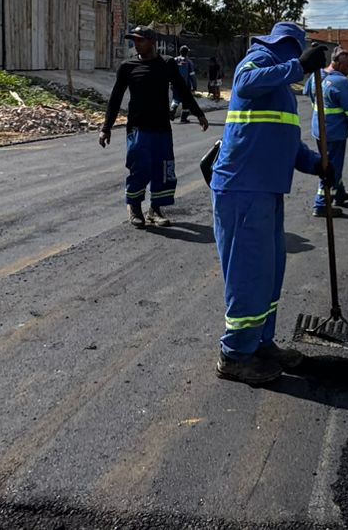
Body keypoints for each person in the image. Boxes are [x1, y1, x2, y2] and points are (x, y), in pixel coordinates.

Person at [209, 21, 331, 384]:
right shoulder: (258, 59)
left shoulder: (282, 91)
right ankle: (234, 355)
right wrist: (298, 67)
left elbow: (286, 142)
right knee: (249, 274)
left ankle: (261, 343)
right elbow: (244, 84)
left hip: (267, 190)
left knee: (269, 273)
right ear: (288, 46)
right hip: (242, 189)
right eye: (298, 52)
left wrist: (317, 164)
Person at [100, 26, 209, 229]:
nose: (136, 44)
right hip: (138, 128)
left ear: (152, 41)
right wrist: (106, 127)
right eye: (134, 41)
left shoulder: (167, 64)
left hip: (162, 128)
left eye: (140, 40)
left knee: (163, 169)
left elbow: (182, 90)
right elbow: (115, 98)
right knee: (140, 167)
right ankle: (134, 207)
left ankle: (155, 210)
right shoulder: (127, 67)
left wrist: (199, 113)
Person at [304, 48, 348, 216]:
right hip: (335, 132)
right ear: (338, 65)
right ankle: (321, 204)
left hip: (318, 129)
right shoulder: (341, 82)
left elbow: (308, 93)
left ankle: (339, 193)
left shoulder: (316, 76)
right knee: (331, 167)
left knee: (329, 161)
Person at [174, 45, 198, 123]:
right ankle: (183, 118)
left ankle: (171, 112)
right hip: (186, 85)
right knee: (186, 102)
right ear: (187, 53)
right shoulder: (188, 62)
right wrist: (194, 86)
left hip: (175, 84)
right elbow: (192, 75)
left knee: (176, 99)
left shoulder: (174, 60)